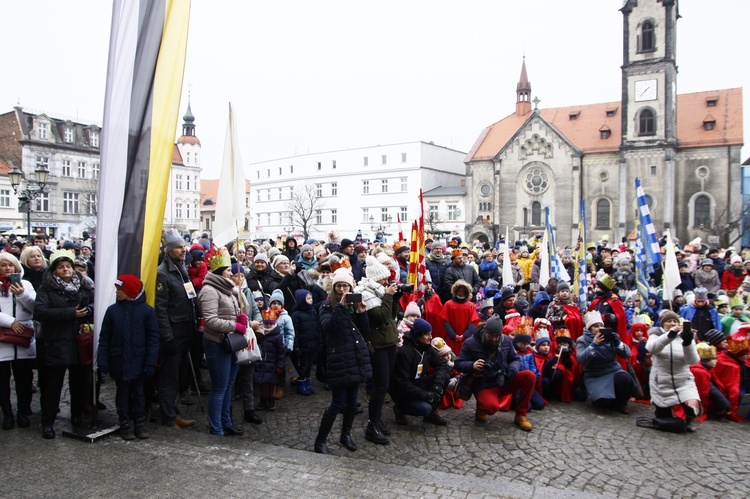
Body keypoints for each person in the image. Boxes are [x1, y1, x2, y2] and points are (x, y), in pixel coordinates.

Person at [35, 249, 94, 439]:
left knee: (79, 383)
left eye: (68, 266)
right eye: (61, 267)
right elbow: (40, 311)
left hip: (79, 341)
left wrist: (88, 310)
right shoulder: (46, 288)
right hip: (57, 342)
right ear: (54, 271)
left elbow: (95, 303)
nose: (66, 269)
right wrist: (69, 313)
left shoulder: (83, 285)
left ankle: (77, 416)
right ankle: (48, 422)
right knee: (53, 385)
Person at [314, 268, 371, 454]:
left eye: (346, 285)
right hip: (338, 358)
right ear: (334, 287)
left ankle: (345, 435)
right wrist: (340, 305)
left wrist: (362, 313)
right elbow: (327, 327)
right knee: (337, 403)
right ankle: (320, 441)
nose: (342, 289)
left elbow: (365, 333)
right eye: (339, 286)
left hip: (354, 358)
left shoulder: (354, 305)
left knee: (352, 401)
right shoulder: (326, 305)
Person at [97, 274, 159, 440]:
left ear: (130, 291)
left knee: (139, 393)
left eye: (120, 290)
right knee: (122, 393)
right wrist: (102, 362)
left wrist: (150, 363)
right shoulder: (112, 311)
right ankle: (124, 422)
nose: (117, 293)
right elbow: (104, 338)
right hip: (119, 360)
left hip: (139, 361)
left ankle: (139, 422)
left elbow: (153, 340)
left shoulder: (147, 312)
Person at [455, 316, 536, 431]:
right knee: (491, 408)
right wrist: (472, 365)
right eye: (491, 335)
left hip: (503, 378)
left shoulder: (506, 340)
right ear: (485, 331)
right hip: (484, 383)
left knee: (529, 376)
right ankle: (482, 407)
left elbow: (515, 359)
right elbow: (458, 363)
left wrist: (512, 370)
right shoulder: (471, 343)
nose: (494, 339)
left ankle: (521, 415)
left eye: (496, 336)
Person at [198, 249, 246, 436]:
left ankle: (226, 423)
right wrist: (235, 326)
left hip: (230, 343)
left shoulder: (228, 289)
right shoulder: (209, 290)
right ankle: (215, 427)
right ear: (219, 271)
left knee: (228, 386)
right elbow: (210, 320)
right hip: (217, 343)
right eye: (228, 270)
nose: (231, 273)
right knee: (219, 387)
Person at [155, 230, 197, 430]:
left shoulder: (181, 269)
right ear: (169, 250)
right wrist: (167, 336)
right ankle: (168, 417)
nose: (183, 250)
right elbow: (160, 309)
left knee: (179, 377)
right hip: (173, 335)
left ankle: (174, 411)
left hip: (184, 332)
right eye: (179, 247)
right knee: (169, 378)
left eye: (184, 246)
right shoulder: (162, 273)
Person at [356, 256, 399, 445]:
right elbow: (380, 318)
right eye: (383, 279)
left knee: (386, 385)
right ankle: (371, 426)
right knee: (380, 387)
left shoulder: (381, 291)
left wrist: (394, 298)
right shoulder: (365, 292)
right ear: (375, 278)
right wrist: (389, 296)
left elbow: (392, 315)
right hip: (378, 345)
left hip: (389, 342)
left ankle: (377, 419)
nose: (386, 281)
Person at [646, 310, 701, 432]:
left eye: (674, 321)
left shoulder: (685, 336)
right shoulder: (655, 334)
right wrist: (669, 335)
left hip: (682, 379)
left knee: (692, 405)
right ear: (663, 324)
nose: (672, 323)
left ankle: (690, 419)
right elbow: (652, 349)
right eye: (668, 321)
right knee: (663, 416)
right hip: (661, 380)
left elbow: (692, 360)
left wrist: (688, 343)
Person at [390, 319, 450, 426]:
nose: (430, 337)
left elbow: (441, 364)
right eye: (427, 334)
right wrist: (426, 395)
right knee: (425, 408)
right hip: (403, 392)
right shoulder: (405, 353)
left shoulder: (426, 348)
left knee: (444, 377)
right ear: (418, 335)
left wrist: (437, 385)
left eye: (430, 334)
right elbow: (403, 384)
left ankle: (432, 414)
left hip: (419, 383)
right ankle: (400, 409)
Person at [0, 253, 36, 431]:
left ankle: (23, 411)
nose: (7, 268)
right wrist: (10, 322)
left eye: (10, 265)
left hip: (23, 338)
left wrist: (22, 295)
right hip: (3, 339)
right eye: (3, 265)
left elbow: (35, 307)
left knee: (24, 380)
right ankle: (7, 413)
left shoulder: (26, 284)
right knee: (2, 381)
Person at [576, 311, 634, 414]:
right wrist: (594, 345)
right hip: (595, 375)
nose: (599, 328)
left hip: (613, 370)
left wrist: (618, 343)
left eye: (600, 325)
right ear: (589, 328)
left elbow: (627, 354)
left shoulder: (609, 337)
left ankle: (622, 403)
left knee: (625, 378)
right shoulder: (582, 340)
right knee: (602, 402)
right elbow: (581, 359)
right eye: (595, 326)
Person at [290, 289, 321, 395]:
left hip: (312, 343)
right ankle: (301, 383)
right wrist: (296, 346)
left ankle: (307, 382)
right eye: (308, 298)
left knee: (309, 366)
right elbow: (295, 332)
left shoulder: (313, 311)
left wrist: (318, 341)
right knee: (303, 365)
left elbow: (317, 327)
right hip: (303, 345)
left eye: (311, 298)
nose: (311, 300)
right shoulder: (296, 314)